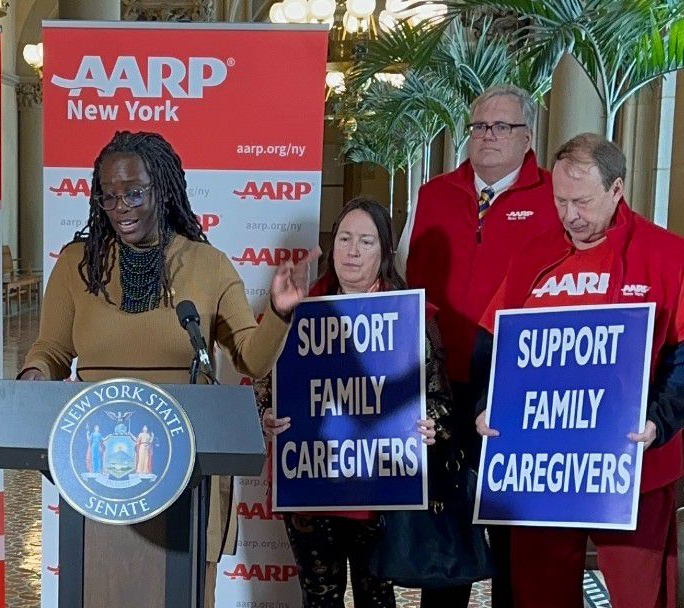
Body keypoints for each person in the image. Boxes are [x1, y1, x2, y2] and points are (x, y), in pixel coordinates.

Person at [19, 130, 319, 607]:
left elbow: (251, 356)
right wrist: (32, 378)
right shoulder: (77, 265)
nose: (121, 207)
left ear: (162, 187)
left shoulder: (208, 265)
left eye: (134, 192)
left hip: (189, 469)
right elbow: (51, 350)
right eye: (109, 195)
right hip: (100, 472)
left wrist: (280, 314)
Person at [475, 133, 684, 608]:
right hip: (542, 470)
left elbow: (683, 357)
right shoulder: (532, 254)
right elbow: (493, 343)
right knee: (539, 593)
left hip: (633, 465)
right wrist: (486, 407)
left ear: (617, 190)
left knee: (639, 594)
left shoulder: (667, 256)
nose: (570, 215)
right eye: (560, 201)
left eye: (583, 202)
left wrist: (659, 419)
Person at [402, 85, 558, 607]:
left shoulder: (553, 197)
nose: (487, 136)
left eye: (501, 127)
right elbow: (412, 286)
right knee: (448, 534)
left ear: (527, 136)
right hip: (445, 388)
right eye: (478, 127)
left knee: (512, 534)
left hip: (516, 389)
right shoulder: (434, 193)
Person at [261, 198, 442, 608]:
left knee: (375, 599)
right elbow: (262, 381)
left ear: (384, 252)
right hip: (312, 487)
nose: (353, 251)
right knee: (320, 598)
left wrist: (432, 425)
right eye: (344, 239)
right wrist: (266, 415)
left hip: (381, 492)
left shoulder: (414, 317)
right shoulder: (296, 311)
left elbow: (440, 400)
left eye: (365, 241)